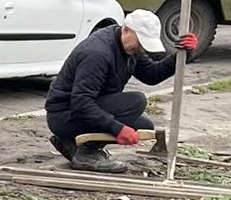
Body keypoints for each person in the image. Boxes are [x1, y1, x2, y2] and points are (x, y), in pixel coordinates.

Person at [44, 11, 195, 173]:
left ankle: (70, 143)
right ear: (126, 30)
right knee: (136, 101)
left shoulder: (128, 47)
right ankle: (87, 152)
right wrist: (117, 129)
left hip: (82, 111)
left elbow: (151, 75)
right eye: (140, 42)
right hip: (64, 115)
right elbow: (81, 103)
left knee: (143, 126)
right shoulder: (97, 53)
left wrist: (181, 56)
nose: (140, 48)